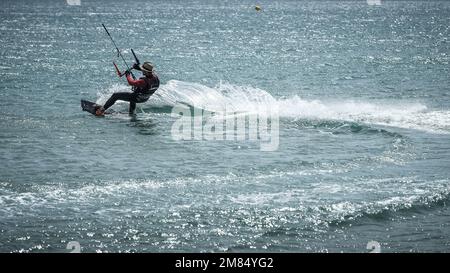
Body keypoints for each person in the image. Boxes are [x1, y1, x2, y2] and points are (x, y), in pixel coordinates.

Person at [95, 62, 160, 116]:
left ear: (146, 71)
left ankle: (101, 110)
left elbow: (131, 82)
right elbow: (147, 73)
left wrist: (127, 75)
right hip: (145, 98)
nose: (142, 70)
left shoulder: (143, 81)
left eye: (143, 70)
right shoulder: (155, 77)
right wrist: (137, 67)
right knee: (134, 93)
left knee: (115, 95)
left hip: (138, 98)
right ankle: (132, 113)